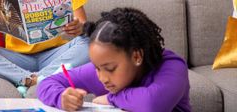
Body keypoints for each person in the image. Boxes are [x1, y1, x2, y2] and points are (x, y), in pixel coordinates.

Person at [37, 8, 191, 112]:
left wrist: (110, 98)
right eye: (97, 68)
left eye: (110, 69)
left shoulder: (172, 65)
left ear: (136, 56)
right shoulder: (103, 72)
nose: (102, 78)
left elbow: (153, 104)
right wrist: (61, 97)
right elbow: (46, 84)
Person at [0, 0, 90, 97]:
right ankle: (32, 79)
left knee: (91, 40)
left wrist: (78, 27)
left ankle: (33, 79)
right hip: (16, 59)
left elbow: (84, 27)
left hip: (55, 56)